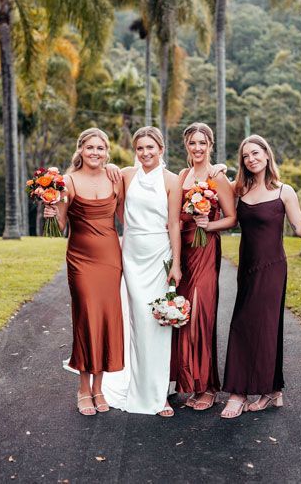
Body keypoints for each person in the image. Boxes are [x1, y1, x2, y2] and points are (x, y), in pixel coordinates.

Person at [221, 134, 301, 418]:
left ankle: (242, 393)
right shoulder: (238, 189)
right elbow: (216, 188)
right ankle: (273, 391)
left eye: (255, 153)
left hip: (272, 268)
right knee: (244, 323)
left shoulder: (284, 191)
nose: (251, 159)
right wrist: (215, 170)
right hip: (247, 269)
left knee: (260, 326)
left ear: (266, 154)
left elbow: (300, 230)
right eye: (246, 156)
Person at [103, 126, 182, 416]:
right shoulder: (125, 175)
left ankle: (160, 393)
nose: (146, 153)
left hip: (159, 253)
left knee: (157, 322)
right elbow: (117, 207)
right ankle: (137, 383)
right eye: (140, 148)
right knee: (136, 320)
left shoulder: (172, 180)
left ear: (161, 149)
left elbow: (174, 223)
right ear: (135, 151)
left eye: (151, 147)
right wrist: (111, 163)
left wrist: (177, 262)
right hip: (132, 252)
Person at [44, 128, 124, 416]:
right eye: (90, 147)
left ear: (107, 152)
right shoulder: (68, 181)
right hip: (81, 259)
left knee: (106, 318)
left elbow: (126, 217)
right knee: (86, 317)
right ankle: (82, 387)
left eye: (100, 148)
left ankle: (99, 387)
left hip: (111, 258)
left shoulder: (115, 177)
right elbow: (62, 227)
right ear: (80, 150)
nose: (95, 152)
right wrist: (51, 213)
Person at [171, 122, 236, 411]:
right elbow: (172, 218)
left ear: (210, 146)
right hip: (184, 251)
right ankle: (191, 383)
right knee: (185, 315)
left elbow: (232, 218)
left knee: (202, 313)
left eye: (202, 143)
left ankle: (209, 386)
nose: (197, 148)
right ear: (186, 146)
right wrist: (174, 260)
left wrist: (209, 225)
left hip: (206, 249)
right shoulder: (182, 176)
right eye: (192, 143)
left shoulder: (217, 177)